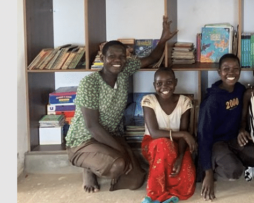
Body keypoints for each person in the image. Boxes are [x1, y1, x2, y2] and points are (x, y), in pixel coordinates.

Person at [65, 16, 177, 193]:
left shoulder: (125, 70)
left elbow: (152, 58)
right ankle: (86, 167)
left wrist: (163, 39)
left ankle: (106, 159)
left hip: (111, 134)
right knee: (119, 164)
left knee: (136, 180)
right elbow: (92, 126)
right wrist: (122, 151)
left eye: (121, 56)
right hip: (85, 139)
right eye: (111, 56)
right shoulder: (90, 83)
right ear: (102, 57)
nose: (117, 60)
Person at [196, 53, 254, 201]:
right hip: (216, 143)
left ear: (240, 71)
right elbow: (204, 136)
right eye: (226, 69)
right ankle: (214, 166)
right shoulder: (212, 101)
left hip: (233, 138)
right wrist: (208, 174)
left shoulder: (239, 89)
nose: (231, 73)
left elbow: (242, 117)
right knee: (234, 172)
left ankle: (230, 158)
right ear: (219, 72)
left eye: (235, 69)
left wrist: (241, 130)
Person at [141, 67, 197, 203]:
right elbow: (154, 133)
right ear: (154, 85)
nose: (164, 87)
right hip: (153, 144)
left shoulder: (184, 101)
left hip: (178, 145)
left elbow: (184, 133)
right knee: (163, 144)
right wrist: (183, 134)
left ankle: (169, 191)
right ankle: (155, 194)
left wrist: (181, 156)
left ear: (176, 82)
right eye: (159, 84)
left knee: (187, 184)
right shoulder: (149, 101)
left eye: (169, 82)